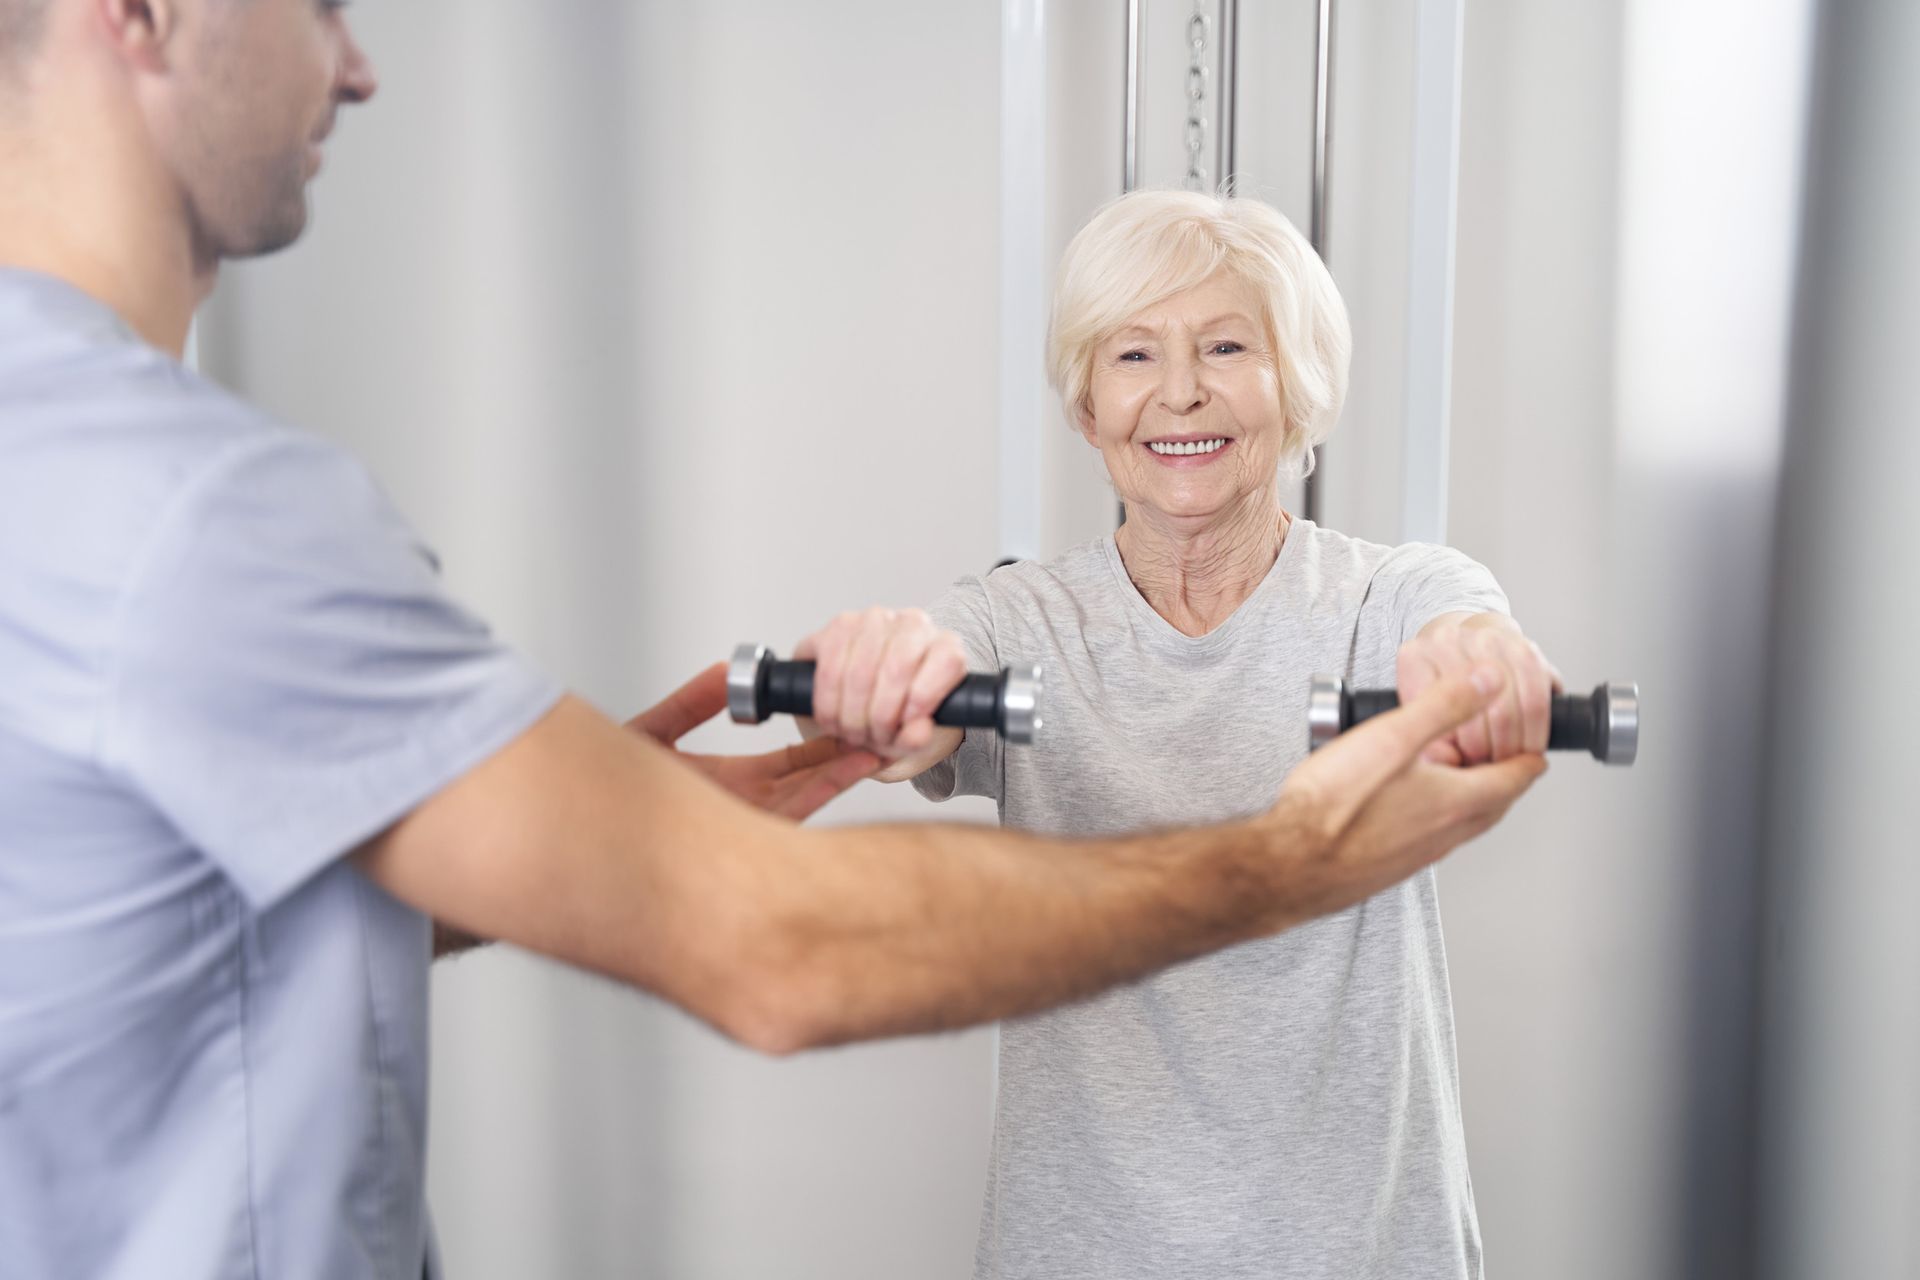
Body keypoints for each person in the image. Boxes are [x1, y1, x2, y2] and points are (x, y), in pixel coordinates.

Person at [0, 3, 1544, 1277]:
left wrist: (614, 818)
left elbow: (174, 924)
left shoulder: (75, 471)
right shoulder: (189, 513)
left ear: (1300, 386)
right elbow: (788, 942)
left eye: (1227, 350)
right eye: (322, 4)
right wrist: (1287, 860)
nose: (357, 61)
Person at [797, 190, 1560, 1279]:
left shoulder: (1382, 595)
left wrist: (1477, 662)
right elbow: (926, 686)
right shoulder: (1021, 620)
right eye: (1135, 353)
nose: (1181, 390)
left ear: (1296, 388)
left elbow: (1465, 620)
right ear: (1086, 402)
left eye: (1228, 345)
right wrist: (884, 673)